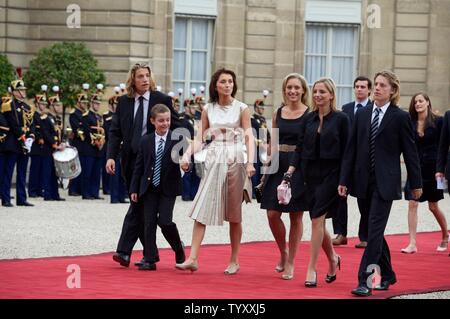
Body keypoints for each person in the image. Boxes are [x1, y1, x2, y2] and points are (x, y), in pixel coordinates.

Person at [338, 70, 422, 297]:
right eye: (375, 84)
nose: (376, 88)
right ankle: (388, 274)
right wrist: (344, 179)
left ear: (392, 91)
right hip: (362, 181)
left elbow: (411, 153)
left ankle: (365, 281)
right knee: (374, 230)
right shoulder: (362, 114)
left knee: (372, 232)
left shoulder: (400, 117)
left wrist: (416, 183)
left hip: (386, 183)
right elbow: (351, 149)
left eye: (382, 85)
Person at [176, 68, 255, 274]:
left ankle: (234, 260)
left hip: (236, 158)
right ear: (216, 85)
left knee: (234, 214)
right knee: (202, 206)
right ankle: (192, 258)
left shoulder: (242, 108)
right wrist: (186, 156)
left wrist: (250, 163)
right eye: (223, 81)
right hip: (214, 158)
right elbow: (200, 138)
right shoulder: (207, 109)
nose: (227, 84)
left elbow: (249, 137)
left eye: (230, 81)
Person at [106, 63, 182, 267]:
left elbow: (178, 127)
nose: (145, 79)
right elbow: (115, 132)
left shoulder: (162, 100)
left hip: (157, 163)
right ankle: (149, 254)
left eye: (147, 75)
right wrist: (111, 156)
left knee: (137, 206)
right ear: (133, 79)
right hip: (132, 163)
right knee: (139, 206)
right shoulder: (124, 102)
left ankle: (125, 252)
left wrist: (178, 154)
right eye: (140, 76)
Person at [285, 77, 348, 287]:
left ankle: (311, 268)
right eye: (315, 92)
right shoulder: (308, 119)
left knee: (316, 220)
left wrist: (345, 179)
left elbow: (348, 152)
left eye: (322, 92)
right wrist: (291, 170)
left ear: (331, 95)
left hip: (332, 174)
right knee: (317, 221)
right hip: (309, 174)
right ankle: (333, 258)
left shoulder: (341, 119)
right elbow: (300, 147)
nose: (318, 95)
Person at [260, 73, 309, 280]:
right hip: (278, 163)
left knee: (295, 215)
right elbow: (273, 139)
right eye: (289, 87)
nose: (293, 91)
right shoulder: (278, 112)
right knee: (272, 213)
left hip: (298, 165)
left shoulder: (310, 114)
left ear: (303, 90)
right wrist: (266, 164)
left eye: (297, 87)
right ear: (284, 89)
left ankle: (291, 262)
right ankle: (283, 252)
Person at [130, 104, 186, 270]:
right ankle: (150, 258)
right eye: (161, 121)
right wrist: (134, 189)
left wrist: (186, 165)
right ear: (153, 121)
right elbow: (139, 167)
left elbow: (187, 159)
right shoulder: (146, 140)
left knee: (165, 221)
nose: (165, 124)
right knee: (149, 223)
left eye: (167, 120)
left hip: (169, 188)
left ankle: (178, 247)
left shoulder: (177, 138)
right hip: (149, 188)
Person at [400, 93, 448, 253]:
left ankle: (445, 235)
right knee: (412, 203)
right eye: (415, 102)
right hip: (415, 169)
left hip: (434, 170)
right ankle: (412, 243)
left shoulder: (439, 121)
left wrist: (442, 169)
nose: (417, 104)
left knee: (433, 206)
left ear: (428, 102)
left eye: (420, 101)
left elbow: (443, 145)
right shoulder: (409, 122)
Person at [333, 76, 373, 248]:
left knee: (363, 199)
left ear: (369, 90)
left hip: (363, 161)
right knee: (340, 197)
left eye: (363, 86)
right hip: (345, 160)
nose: (359, 89)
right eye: (356, 86)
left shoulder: (374, 109)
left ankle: (364, 236)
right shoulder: (346, 109)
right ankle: (341, 233)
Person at [1, 79, 34, 207]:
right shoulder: (9, 105)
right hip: (13, 143)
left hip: (25, 143)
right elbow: (13, 124)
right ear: (14, 92)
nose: (23, 92)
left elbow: (31, 124)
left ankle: (21, 198)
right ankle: (5, 198)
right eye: (20, 90)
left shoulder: (27, 107)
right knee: (8, 172)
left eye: (24, 90)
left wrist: (30, 138)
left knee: (22, 172)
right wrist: (22, 138)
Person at [251, 97, 270, 199]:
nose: (262, 108)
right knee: (256, 169)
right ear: (256, 108)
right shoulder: (252, 119)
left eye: (263, 106)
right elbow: (250, 135)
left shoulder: (263, 119)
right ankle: (253, 192)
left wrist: (269, 143)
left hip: (264, 149)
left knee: (264, 170)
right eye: (260, 106)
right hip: (256, 148)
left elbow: (267, 134)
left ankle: (260, 190)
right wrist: (260, 143)